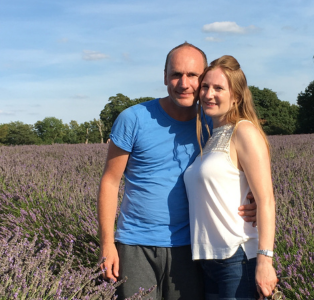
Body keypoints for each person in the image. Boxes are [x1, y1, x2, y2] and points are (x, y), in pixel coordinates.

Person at [97, 43, 256, 300]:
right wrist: (107, 244)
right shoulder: (133, 119)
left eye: (193, 75)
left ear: (203, 80)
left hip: (191, 247)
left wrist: (254, 200)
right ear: (164, 77)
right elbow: (110, 181)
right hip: (136, 244)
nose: (183, 83)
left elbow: (240, 166)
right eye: (176, 74)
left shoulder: (212, 122)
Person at [184, 55, 278, 299]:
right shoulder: (212, 135)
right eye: (205, 86)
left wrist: (265, 261)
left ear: (236, 96)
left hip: (237, 259)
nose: (208, 94)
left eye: (218, 88)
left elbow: (266, 200)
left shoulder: (244, 131)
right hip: (209, 260)